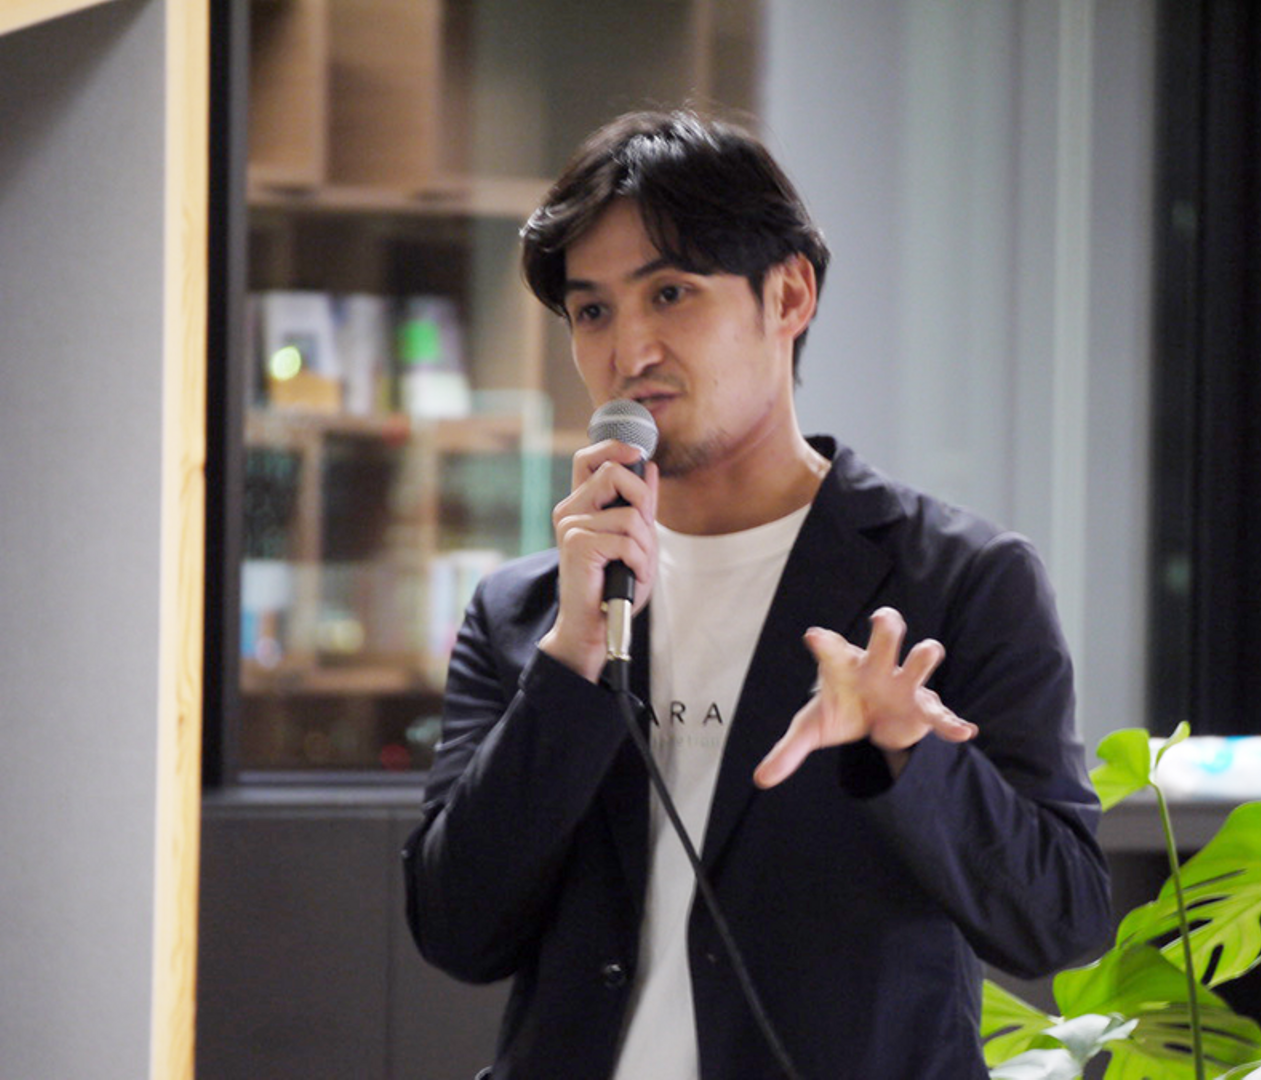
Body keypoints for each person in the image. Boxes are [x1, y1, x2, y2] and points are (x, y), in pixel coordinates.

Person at [403, 109, 1111, 1080]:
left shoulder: (956, 582)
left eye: (671, 294)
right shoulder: (528, 613)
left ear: (789, 295)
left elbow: (1061, 919)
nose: (629, 351)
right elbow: (456, 929)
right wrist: (569, 665)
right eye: (593, 311)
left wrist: (911, 757)